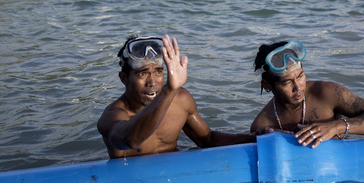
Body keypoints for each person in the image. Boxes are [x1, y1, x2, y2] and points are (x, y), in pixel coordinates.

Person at [98, 34, 255, 158]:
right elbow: (130, 140)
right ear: (124, 78)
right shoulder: (113, 117)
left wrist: (254, 137)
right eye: (143, 73)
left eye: (158, 72)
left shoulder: (180, 100)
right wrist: (169, 90)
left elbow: (206, 140)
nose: (152, 82)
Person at [250, 40, 364, 148]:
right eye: (287, 82)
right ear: (267, 86)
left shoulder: (326, 93)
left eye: (300, 76)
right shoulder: (262, 125)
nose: (298, 87)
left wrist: (335, 127)